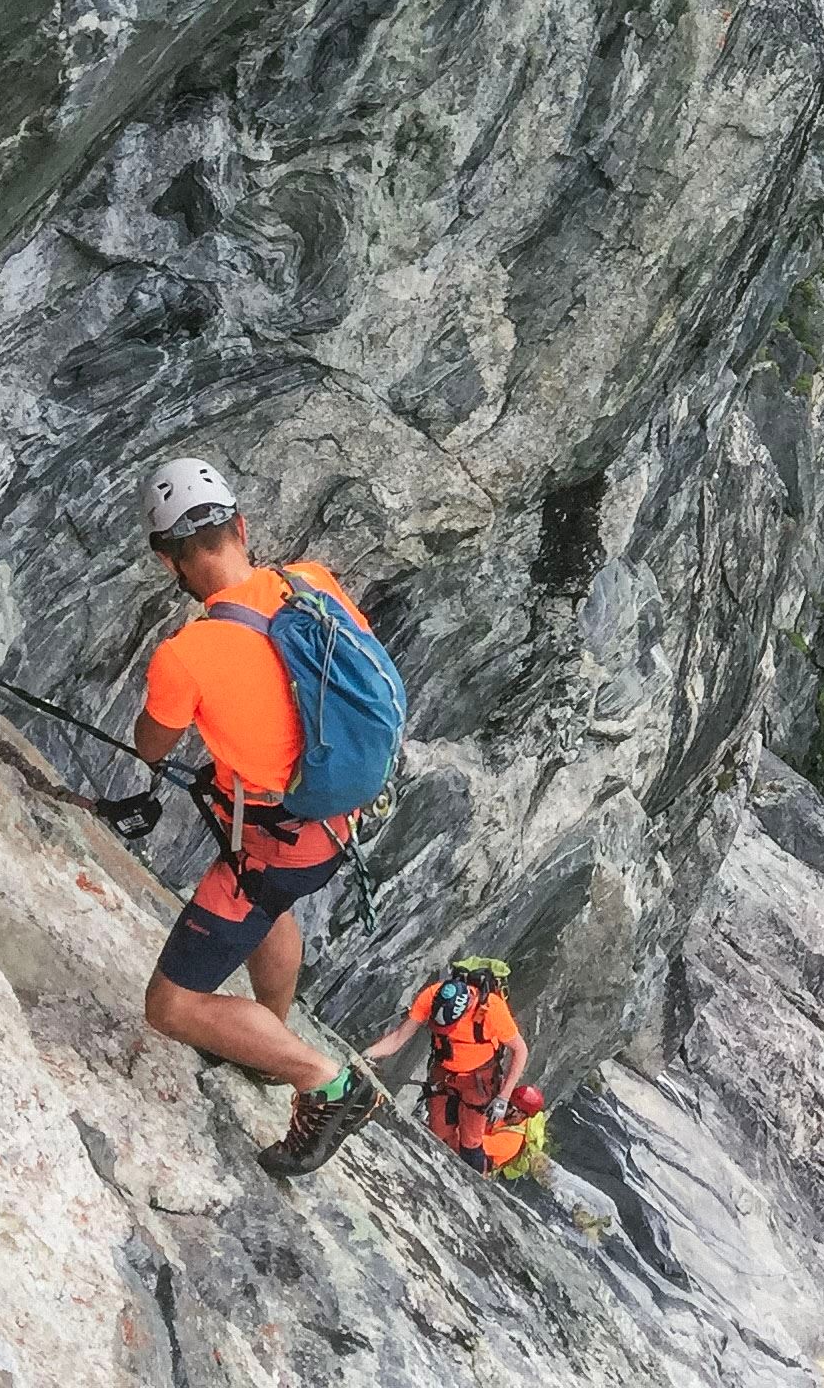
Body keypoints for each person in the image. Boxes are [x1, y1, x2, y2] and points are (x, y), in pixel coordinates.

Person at [109, 457, 389, 1177]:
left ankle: (326, 1083)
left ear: (168, 562)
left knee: (170, 1007)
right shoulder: (312, 583)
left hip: (273, 842)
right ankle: (270, 1035)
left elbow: (150, 743)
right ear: (240, 526)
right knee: (274, 911)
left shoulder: (188, 655)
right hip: (335, 817)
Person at [367, 957, 529, 1170]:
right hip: (443, 1074)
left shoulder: (491, 1010)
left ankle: (471, 1184)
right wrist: (366, 1056)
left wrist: (503, 1097)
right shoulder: (431, 995)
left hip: (478, 1081)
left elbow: (520, 1050)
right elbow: (398, 1038)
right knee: (439, 1133)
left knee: (471, 1141)